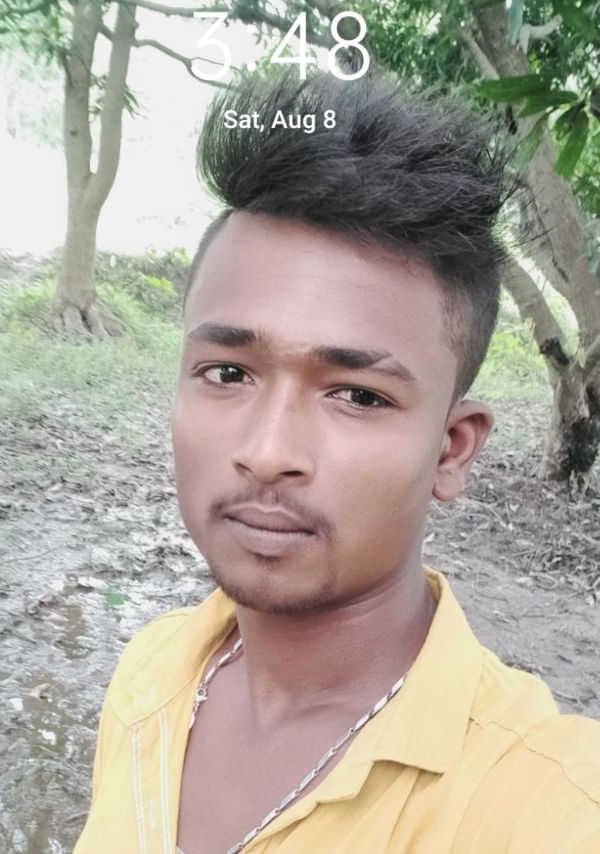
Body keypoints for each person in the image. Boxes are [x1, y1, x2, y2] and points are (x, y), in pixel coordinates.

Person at [73, 71, 600, 854]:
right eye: (228, 373)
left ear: (452, 448)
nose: (267, 453)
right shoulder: (152, 672)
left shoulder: (545, 804)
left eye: (357, 395)